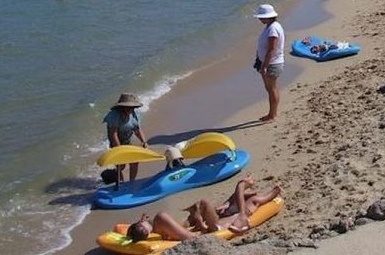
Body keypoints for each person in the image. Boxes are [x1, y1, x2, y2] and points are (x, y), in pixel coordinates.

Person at [125, 177, 282, 241]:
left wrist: (198, 217)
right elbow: (194, 237)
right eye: (141, 225)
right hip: (219, 227)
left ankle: (248, 190)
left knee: (212, 204)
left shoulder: (157, 225)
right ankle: (272, 192)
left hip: (219, 221)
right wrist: (201, 223)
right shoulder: (160, 219)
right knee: (253, 198)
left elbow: (188, 227)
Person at [103, 93, 149, 182]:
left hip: (128, 141)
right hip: (116, 143)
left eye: (132, 107)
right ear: (122, 106)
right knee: (121, 165)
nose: (130, 109)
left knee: (135, 161)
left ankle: (132, 182)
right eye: (127, 107)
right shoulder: (114, 115)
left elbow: (137, 130)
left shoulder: (133, 114)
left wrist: (144, 142)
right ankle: (121, 181)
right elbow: (113, 134)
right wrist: (119, 149)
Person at [253, 4, 284, 122]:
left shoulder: (273, 29)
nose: (260, 19)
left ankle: (273, 114)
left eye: (261, 17)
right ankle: (273, 112)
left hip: (272, 64)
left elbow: (272, 49)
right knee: (271, 88)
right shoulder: (271, 26)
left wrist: (264, 66)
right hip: (269, 62)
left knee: (272, 89)